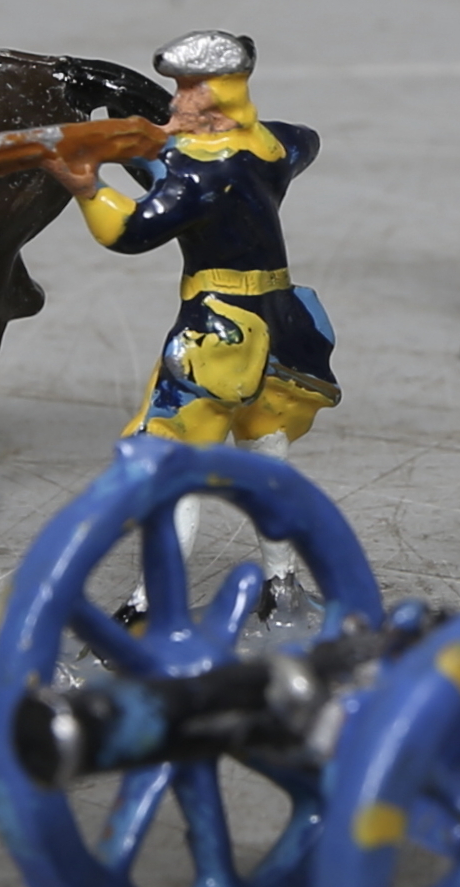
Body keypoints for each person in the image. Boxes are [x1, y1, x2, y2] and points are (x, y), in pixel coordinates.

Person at [49, 30, 337, 602]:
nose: (177, 103)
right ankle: (281, 585)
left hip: (218, 333)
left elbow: (130, 232)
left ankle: (151, 608)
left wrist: (87, 188)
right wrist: (154, 152)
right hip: (281, 325)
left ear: (217, 98)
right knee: (267, 459)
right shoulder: (274, 148)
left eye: (188, 91)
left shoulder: (199, 176)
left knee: (169, 468)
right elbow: (306, 139)